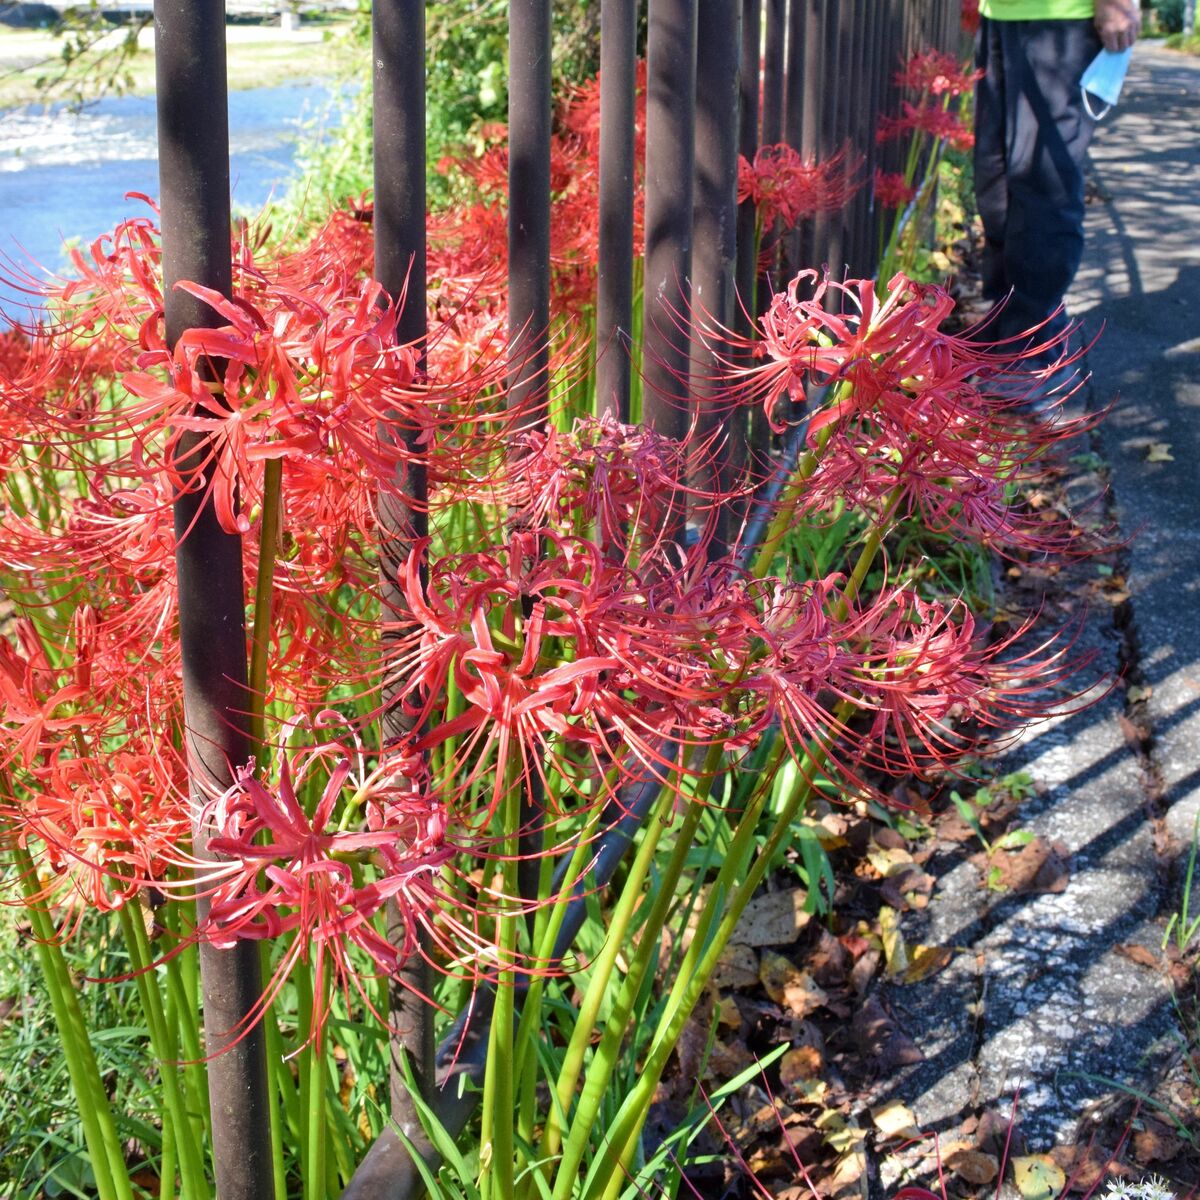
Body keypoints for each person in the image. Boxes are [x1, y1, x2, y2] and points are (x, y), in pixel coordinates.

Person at [973, 0, 1141, 360]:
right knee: (995, 183)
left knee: (1044, 185)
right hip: (999, 16)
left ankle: (1032, 350)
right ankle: (1004, 323)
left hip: (1064, 21)